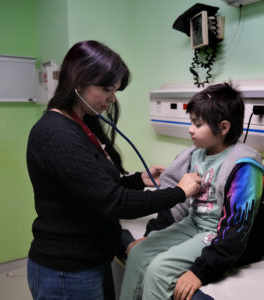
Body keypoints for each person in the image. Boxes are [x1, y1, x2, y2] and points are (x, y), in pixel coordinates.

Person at [26, 40, 201, 300]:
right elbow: (112, 201)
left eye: (115, 90)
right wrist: (178, 193)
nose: (111, 98)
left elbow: (93, 184)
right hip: (67, 272)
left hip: (91, 260)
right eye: (106, 89)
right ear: (77, 82)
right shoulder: (56, 133)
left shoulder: (80, 124)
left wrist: (139, 179)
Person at [119, 82, 264, 300]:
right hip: (193, 223)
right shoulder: (196, 154)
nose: (190, 129)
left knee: (159, 270)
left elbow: (236, 229)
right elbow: (179, 201)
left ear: (224, 127)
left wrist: (200, 272)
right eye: (191, 122)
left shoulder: (245, 166)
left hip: (216, 232)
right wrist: (152, 235)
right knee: (137, 254)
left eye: (197, 124)